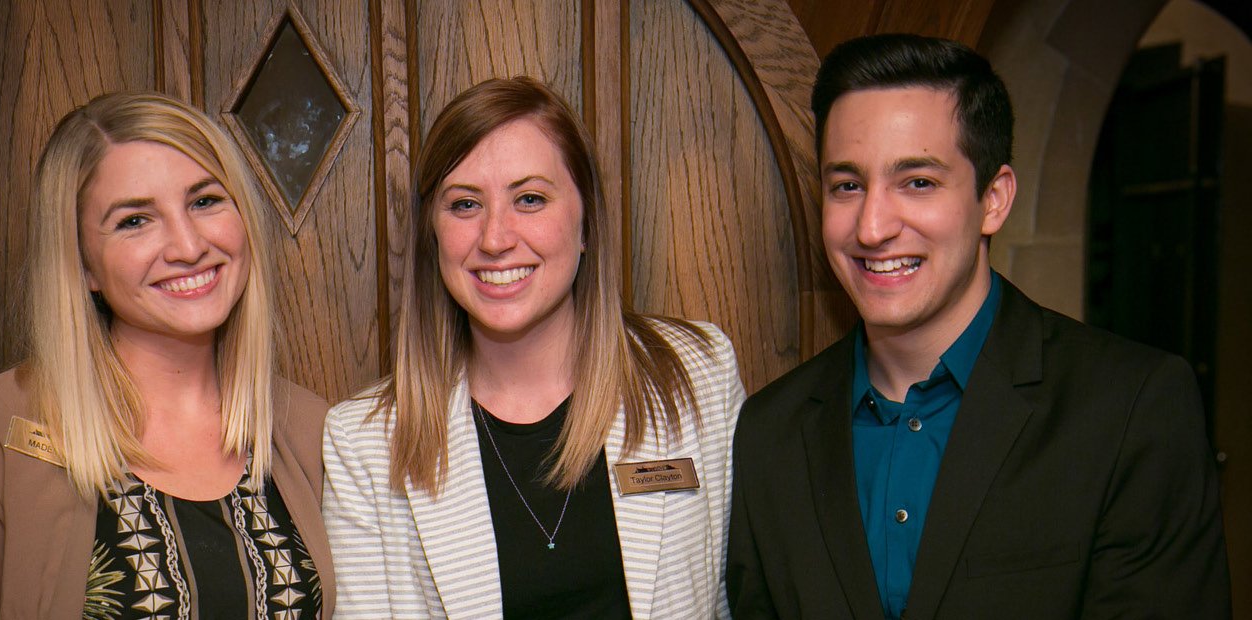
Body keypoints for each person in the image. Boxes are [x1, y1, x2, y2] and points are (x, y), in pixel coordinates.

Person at [726, 33, 1230, 619]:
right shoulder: (770, 433)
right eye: (848, 186)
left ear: (994, 199)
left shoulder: (1130, 410)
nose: (871, 227)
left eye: (917, 182)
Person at [323, 76, 745, 618]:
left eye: (530, 199)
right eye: (465, 204)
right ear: (432, 234)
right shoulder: (365, 443)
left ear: (586, 219)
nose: (496, 238)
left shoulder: (698, 374)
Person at [0, 91, 334, 618]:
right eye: (134, 220)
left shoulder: (312, 431)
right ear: (83, 263)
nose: (187, 246)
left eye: (205, 201)